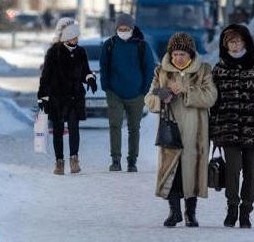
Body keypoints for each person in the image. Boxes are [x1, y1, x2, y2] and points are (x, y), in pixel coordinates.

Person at [144, 32, 217, 228]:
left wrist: (186, 90)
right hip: (171, 131)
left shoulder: (203, 70)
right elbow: (149, 99)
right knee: (172, 173)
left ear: (190, 55)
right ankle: (174, 212)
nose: (178, 58)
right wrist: (162, 97)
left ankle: (190, 214)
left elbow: (211, 97)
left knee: (192, 173)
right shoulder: (161, 72)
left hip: (196, 133)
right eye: (175, 54)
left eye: (182, 54)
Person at [210, 24, 254, 229]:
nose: (235, 45)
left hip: (253, 127)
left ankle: (246, 211)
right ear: (225, 45)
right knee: (232, 169)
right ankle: (232, 208)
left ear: (245, 42)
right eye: (231, 41)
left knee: (251, 171)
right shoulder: (219, 69)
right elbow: (212, 98)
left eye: (238, 41)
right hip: (228, 128)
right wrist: (212, 123)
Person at [37, 17, 97, 175]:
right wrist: (42, 96)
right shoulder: (54, 53)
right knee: (57, 129)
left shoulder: (81, 52)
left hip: (75, 97)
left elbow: (85, 71)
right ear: (65, 37)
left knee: (74, 128)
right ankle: (59, 162)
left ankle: (74, 158)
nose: (75, 39)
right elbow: (46, 76)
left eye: (77, 36)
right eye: (72, 36)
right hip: (57, 98)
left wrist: (90, 79)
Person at [99, 12, 155, 173]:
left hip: (136, 94)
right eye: (120, 28)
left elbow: (149, 69)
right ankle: (115, 160)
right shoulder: (109, 45)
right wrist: (106, 87)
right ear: (116, 28)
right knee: (114, 126)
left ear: (132, 28)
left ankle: (132, 161)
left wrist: (144, 90)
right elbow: (104, 67)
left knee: (134, 128)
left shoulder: (142, 46)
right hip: (114, 93)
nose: (123, 31)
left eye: (126, 28)